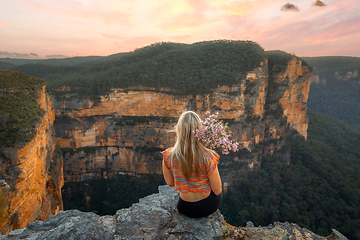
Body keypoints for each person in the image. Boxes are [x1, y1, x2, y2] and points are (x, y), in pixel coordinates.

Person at [161, 111, 223, 218]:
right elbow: (217, 190)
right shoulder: (208, 156)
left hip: (185, 208)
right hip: (208, 206)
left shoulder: (168, 155)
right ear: (200, 130)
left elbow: (170, 183)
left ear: (179, 129)